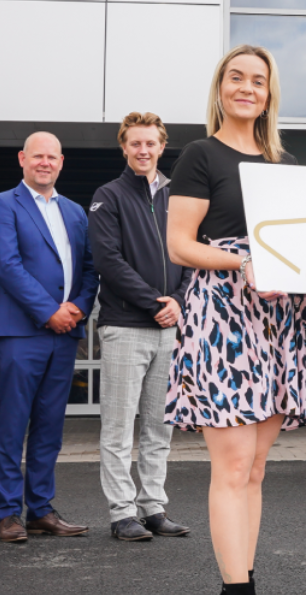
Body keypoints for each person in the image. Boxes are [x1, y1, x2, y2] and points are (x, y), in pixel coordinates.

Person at [164, 44, 306, 595]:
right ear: (221, 88)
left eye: (258, 81)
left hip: (276, 319)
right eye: (236, 78)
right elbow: (179, 245)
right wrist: (243, 260)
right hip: (221, 316)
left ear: (269, 93)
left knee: (255, 469)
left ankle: (244, 576)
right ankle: (236, 588)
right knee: (231, 466)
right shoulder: (200, 155)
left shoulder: (287, 166)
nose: (247, 88)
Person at [0, 131, 99, 542]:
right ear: (22, 159)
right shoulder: (1, 204)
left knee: (51, 426)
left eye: (52, 157)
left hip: (66, 333)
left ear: (61, 162)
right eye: (38, 156)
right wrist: (50, 310)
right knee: (13, 425)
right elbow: (8, 266)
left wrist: (79, 307)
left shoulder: (75, 211)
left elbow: (90, 267)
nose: (45, 163)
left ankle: (41, 509)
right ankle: (8, 513)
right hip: (22, 331)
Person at [89, 112, 192, 542]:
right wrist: (156, 303)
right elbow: (108, 262)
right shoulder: (107, 196)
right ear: (124, 147)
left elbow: (190, 254)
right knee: (118, 425)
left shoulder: (177, 196)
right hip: (126, 326)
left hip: (170, 328)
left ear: (162, 146)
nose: (143, 150)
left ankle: (153, 507)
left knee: (158, 424)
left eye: (150, 143)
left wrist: (180, 301)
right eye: (135, 143)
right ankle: (121, 512)